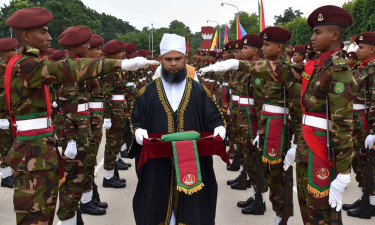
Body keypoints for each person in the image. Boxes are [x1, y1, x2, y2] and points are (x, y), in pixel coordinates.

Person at [4, 7, 158, 225]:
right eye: (44, 32)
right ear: (27, 36)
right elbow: (66, 70)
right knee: (35, 217)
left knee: (44, 212)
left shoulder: (31, 63)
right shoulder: (26, 65)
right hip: (32, 151)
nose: (49, 37)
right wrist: (119, 64)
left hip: (38, 147)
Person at [199, 26, 303, 224]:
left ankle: (282, 217)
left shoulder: (288, 70)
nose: (263, 47)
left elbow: (296, 108)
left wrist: (297, 142)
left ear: (280, 47)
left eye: (267, 44)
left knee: (279, 177)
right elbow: (259, 101)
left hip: (279, 130)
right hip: (263, 124)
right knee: (268, 173)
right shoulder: (265, 67)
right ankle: (269, 208)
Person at [128, 33, 226, 225]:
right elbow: (134, 119)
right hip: (158, 164)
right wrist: (138, 131)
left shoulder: (198, 90)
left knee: (194, 207)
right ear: (160, 60)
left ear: (185, 59)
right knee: (156, 204)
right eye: (168, 59)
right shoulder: (147, 91)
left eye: (178, 59)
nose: (173, 64)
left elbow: (214, 116)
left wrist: (219, 128)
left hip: (193, 161)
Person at [297, 5, 356, 224]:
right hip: (308, 144)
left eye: (317, 32)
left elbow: (342, 123)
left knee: (322, 215)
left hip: (323, 147)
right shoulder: (318, 66)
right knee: (307, 209)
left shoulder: (338, 70)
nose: (312, 37)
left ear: (335, 35)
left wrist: (343, 173)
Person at [343, 32, 375, 218]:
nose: (358, 50)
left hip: (365, 121)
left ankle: (371, 204)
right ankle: (363, 197)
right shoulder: (361, 68)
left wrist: (373, 130)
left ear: (372, 49)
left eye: (361, 47)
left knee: (369, 163)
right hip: (355, 120)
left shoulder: (372, 69)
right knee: (358, 162)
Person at [102, 39, 129, 188]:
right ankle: (108, 177)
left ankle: (112, 174)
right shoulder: (109, 70)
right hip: (114, 112)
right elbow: (106, 95)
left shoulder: (115, 68)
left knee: (116, 142)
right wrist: (106, 117)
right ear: (112, 54)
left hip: (119, 110)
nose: (123, 54)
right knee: (112, 144)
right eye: (120, 52)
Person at [0, 37, 18, 188]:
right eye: (13, 50)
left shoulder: (10, 67)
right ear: (4, 52)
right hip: (2, 114)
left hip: (10, 112)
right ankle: (6, 176)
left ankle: (10, 173)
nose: (16, 52)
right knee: (4, 146)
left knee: (11, 143)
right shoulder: (1, 68)